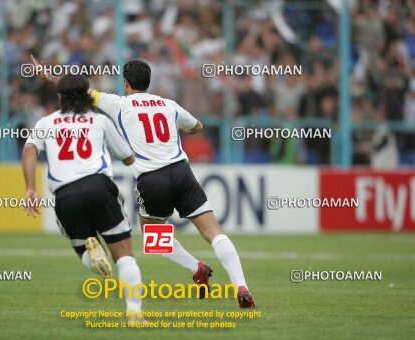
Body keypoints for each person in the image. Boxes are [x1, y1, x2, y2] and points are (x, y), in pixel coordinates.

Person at [31, 56, 255, 308]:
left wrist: (47, 75)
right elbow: (197, 126)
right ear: (149, 81)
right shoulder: (168, 105)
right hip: (182, 172)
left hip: (152, 179)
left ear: (125, 83)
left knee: (153, 236)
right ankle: (241, 286)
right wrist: (180, 130)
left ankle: (197, 267)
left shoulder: (118, 104)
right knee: (213, 232)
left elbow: (77, 90)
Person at [21, 74, 146, 322]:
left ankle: (93, 256)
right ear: (88, 94)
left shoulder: (46, 123)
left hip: (65, 195)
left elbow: (29, 150)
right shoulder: (99, 121)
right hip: (98, 187)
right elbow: (128, 157)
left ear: (59, 97)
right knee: (125, 255)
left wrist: (30, 189)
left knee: (82, 251)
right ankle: (134, 313)